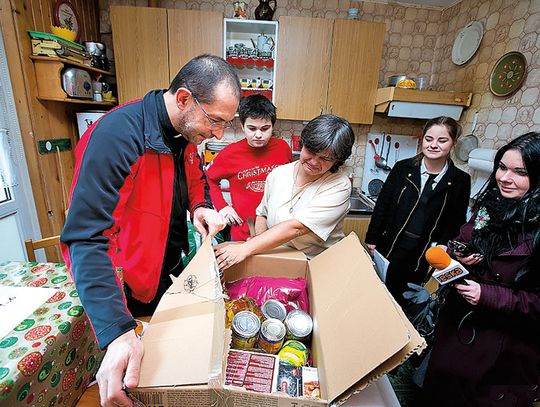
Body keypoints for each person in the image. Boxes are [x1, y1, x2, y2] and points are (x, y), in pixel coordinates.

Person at [60, 54, 240, 407]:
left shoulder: (186, 130)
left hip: (166, 268)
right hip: (125, 279)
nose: (218, 133)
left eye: (226, 123)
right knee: (129, 368)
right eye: (216, 121)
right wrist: (117, 331)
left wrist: (201, 206)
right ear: (185, 98)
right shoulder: (117, 136)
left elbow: (195, 174)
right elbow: (86, 237)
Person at [421, 132, 540, 406]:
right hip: (459, 324)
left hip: (504, 343)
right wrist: (457, 254)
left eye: (520, 172)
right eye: (502, 167)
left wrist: (488, 295)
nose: (505, 178)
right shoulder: (491, 206)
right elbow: (465, 239)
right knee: (439, 392)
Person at [214, 114, 354, 269]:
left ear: (337, 160)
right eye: (311, 151)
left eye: (325, 158)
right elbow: (262, 213)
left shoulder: (339, 185)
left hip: (317, 264)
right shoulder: (278, 174)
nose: (314, 162)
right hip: (280, 257)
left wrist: (247, 248)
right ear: (302, 144)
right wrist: (257, 243)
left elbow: (297, 227)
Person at [365, 116, 471, 306]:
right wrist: (372, 239)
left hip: (423, 253)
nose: (433, 145)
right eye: (429, 139)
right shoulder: (402, 168)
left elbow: (456, 220)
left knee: (405, 300)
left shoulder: (460, 180)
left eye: (442, 140)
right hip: (390, 245)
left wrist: (445, 244)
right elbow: (383, 205)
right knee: (376, 294)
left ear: (453, 143)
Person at [206, 94, 292, 241]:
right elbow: (208, 179)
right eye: (252, 128)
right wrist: (222, 206)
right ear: (242, 126)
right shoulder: (230, 154)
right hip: (241, 233)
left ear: (273, 126)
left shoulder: (283, 148)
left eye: (265, 128)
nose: (258, 135)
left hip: (276, 232)